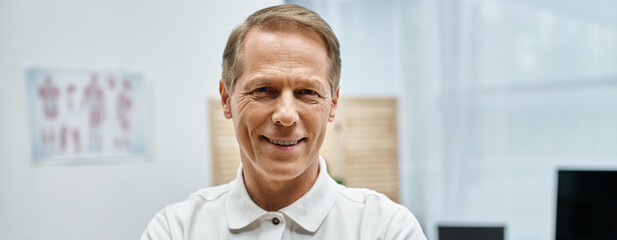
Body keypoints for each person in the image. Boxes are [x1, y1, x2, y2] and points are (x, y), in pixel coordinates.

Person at [141, 4, 426, 240]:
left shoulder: (386, 229)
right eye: (263, 90)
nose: (286, 115)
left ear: (333, 104)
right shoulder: (175, 230)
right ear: (226, 99)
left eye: (307, 92)